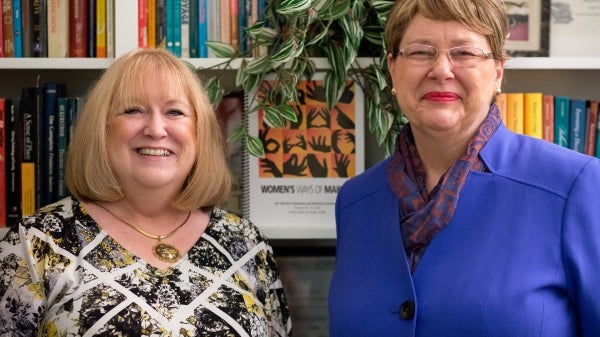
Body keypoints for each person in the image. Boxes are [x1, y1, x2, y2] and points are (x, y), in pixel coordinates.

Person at [328, 0, 600, 336]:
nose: (441, 69)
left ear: (498, 70)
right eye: (420, 52)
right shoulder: (355, 202)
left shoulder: (574, 187)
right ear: (392, 68)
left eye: (465, 53)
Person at [0, 48, 292, 336]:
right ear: (102, 129)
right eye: (133, 110)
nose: (155, 129)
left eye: (174, 111)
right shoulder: (36, 244)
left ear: (199, 131)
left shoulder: (247, 244)